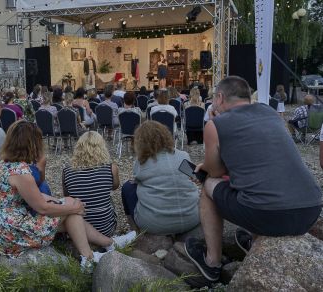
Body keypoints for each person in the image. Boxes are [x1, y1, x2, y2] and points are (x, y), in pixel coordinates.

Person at [184, 76, 322, 283]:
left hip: (267, 214)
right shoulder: (271, 114)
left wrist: (214, 126)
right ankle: (253, 243)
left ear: (220, 97)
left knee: (208, 187)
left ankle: (211, 263)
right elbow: (260, 162)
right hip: (310, 209)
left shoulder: (216, 125)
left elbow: (215, 172)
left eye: (214, 97)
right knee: (257, 183)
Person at [0, 121, 136, 270]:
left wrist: (67, 205)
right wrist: (73, 207)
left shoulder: (5, 163)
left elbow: (38, 197)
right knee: (70, 209)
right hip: (9, 231)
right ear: (32, 144)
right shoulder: (21, 173)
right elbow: (43, 208)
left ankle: (105, 247)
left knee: (69, 207)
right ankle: (91, 255)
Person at [121, 121, 200, 235]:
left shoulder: (142, 162)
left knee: (128, 187)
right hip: (191, 219)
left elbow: (137, 181)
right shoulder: (183, 155)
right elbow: (193, 176)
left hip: (154, 225)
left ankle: (135, 231)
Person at [62, 131, 119, 236]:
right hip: (106, 229)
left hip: (79, 230)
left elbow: (67, 195)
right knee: (108, 198)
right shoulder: (111, 168)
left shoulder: (67, 171)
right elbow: (114, 186)